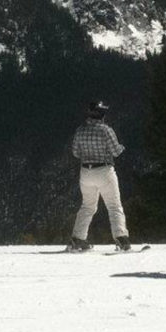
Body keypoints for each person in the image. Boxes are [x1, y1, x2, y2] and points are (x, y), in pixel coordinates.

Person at [68, 101, 131, 252]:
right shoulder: (106, 130)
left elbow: (75, 153)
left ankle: (78, 239)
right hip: (104, 171)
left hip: (85, 172)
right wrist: (122, 147)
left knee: (88, 206)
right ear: (101, 114)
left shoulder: (80, 130)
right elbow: (116, 151)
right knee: (114, 206)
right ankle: (122, 240)